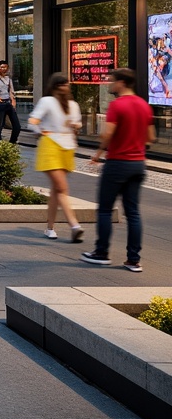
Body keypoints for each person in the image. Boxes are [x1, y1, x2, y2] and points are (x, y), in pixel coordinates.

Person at [82, 68, 155, 271]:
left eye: (112, 81)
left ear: (122, 82)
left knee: (105, 209)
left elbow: (108, 134)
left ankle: (101, 252)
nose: (109, 84)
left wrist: (97, 154)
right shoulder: (144, 105)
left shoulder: (117, 105)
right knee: (133, 213)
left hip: (117, 163)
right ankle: (133, 259)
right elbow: (150, 137)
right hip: (138, 164)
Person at [28, 73, 84, 242]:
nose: (63, 87)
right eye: (60, 84)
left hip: (67, 146)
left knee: (56, 190)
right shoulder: (47, 101)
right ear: (53, 87)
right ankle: (74, 226)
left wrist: (76, 125)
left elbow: (78, 123)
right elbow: (33, 121)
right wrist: (41, 132)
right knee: (62, 187)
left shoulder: (73, 105)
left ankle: (49, 227)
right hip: (50, 144)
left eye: (65, 84)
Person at [0, 60, 22, 143]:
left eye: (5, 67)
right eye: (2, 67)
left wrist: (13, 101)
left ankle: (12, 143)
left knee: (17, 126)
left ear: (8, 68)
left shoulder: (9, 79)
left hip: (8, 103)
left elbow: (11, 91)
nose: (4, 69)